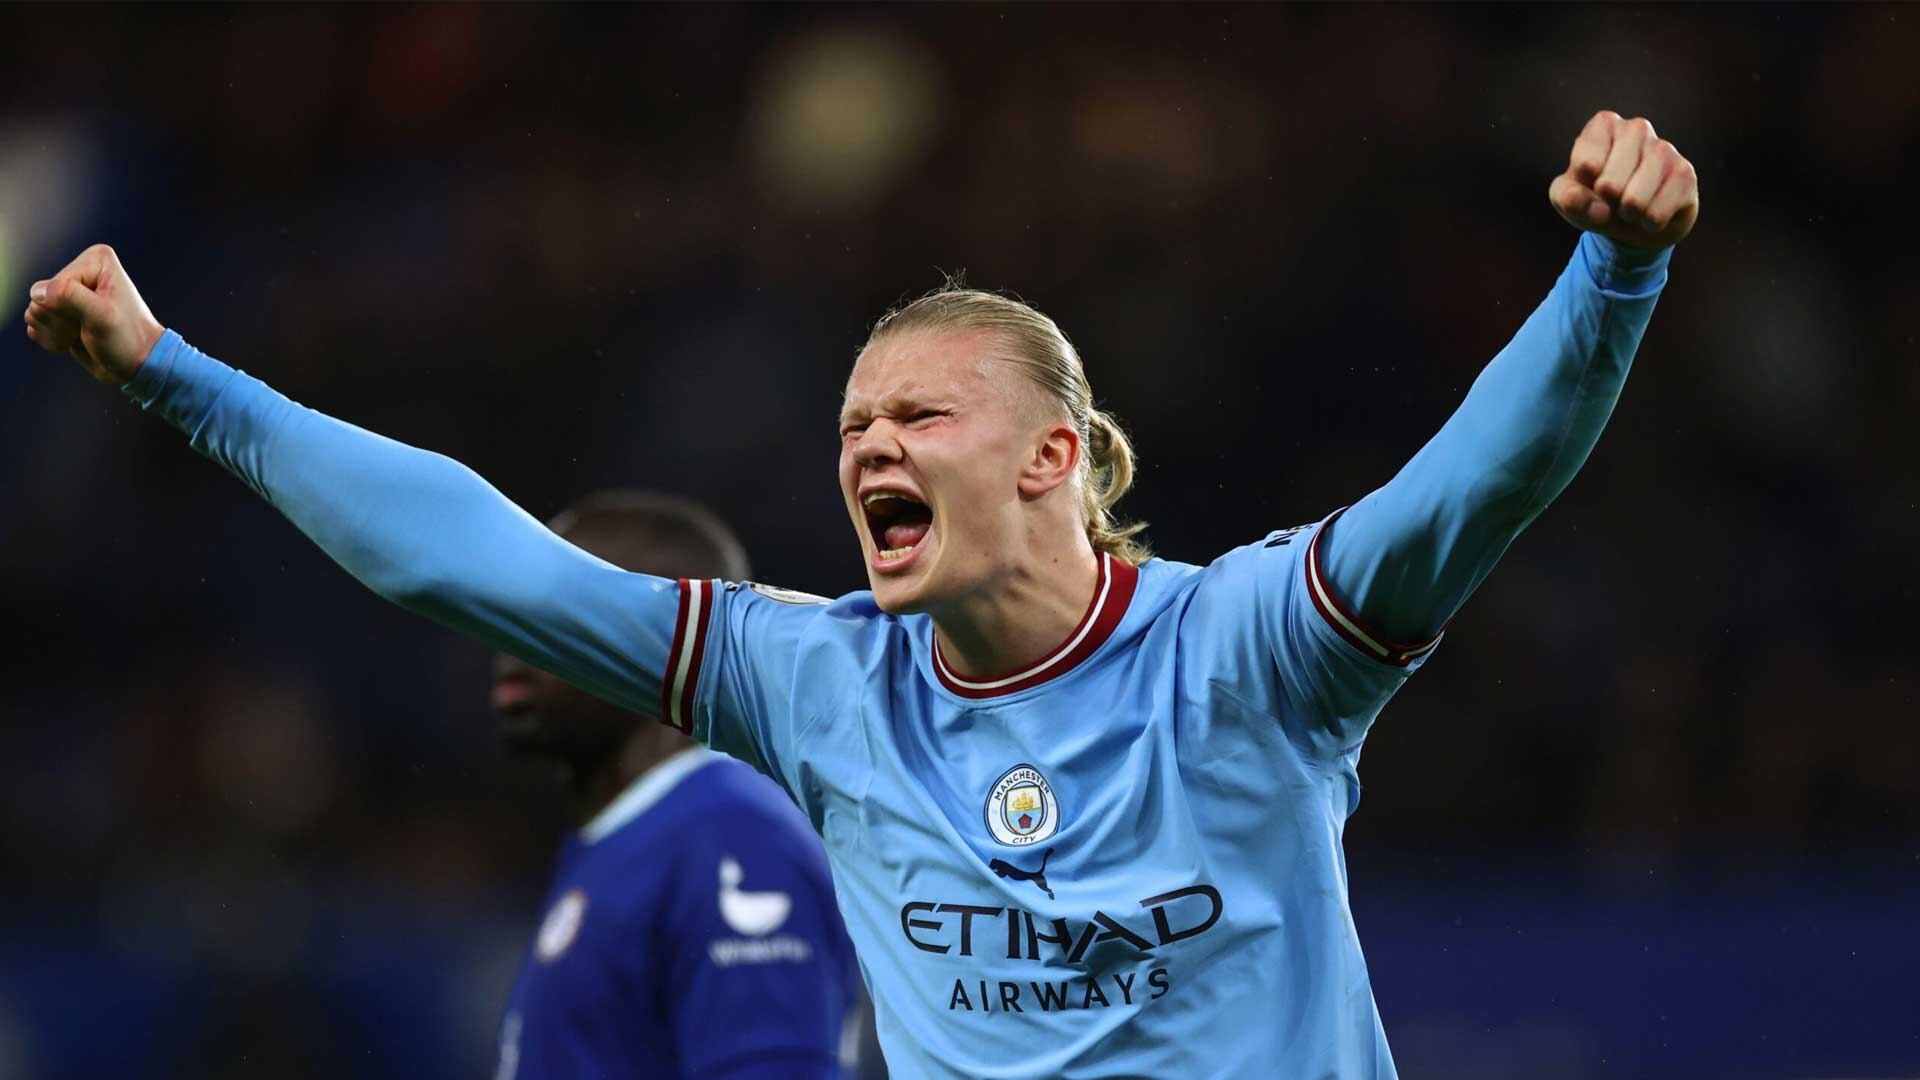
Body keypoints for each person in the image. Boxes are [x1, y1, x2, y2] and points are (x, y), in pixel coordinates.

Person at [24, 111, 1698, 1078]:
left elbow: (1476, 481)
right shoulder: (818, 681)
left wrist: (1617, 271)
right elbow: (475, 558)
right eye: (852, 427)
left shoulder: (1248, 647)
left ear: (1052, 455)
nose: (868, 449)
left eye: (917, 415)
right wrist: (178, 376)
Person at [487, 490, 864, 1080]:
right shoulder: (636, 833)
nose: (515, 634)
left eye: (557, 606)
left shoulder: (733, 838)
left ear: (663, 642)